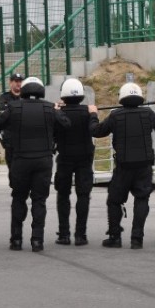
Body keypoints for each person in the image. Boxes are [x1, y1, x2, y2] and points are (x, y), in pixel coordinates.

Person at [0, 77, 70, 252]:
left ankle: (16, 239)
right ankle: (37, 240)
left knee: (18, 198)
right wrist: (57, 111)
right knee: (39, 201)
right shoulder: (49, 108)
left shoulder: (13, 107)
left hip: (20, 160)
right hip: (43, 160)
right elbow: (66, 125)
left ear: (24, 90)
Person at [90, 82, 155, 249]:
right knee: (142, 199)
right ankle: (137, 238)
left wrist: (93, 114)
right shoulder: (148, 113)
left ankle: (115, 236)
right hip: (144, 165)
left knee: (114, 200)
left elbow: (97, 131)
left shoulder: (115, 115)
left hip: (124, 167)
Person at [53, 78, 95, 246]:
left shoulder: (59, 114)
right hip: (84, 158)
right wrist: (93, 113)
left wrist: (56, 111)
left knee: (63, 195)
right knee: (83, 195)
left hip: (65, 158)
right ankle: (81, 234)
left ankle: (64, 234)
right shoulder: (88, 112)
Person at [0, 73, 24, 174]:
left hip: (23, 135)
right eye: (16, 81)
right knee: (11, 164)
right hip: (9, 136)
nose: (18, 84)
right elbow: (3, 111)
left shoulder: (26, 97)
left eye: (20, 81)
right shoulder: (5, 97)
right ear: (10, 83)